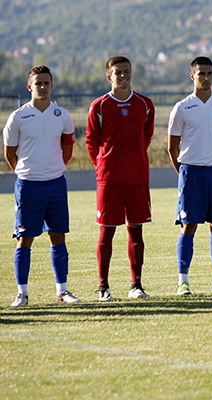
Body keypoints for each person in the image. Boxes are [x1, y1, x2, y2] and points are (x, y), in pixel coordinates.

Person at [3, 65, 81, 306]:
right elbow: (9, 153)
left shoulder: (63, 116)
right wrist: (28, 171)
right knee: (25, 238)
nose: (43, 87)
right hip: (29, 186)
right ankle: (22, 293)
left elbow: (67, 149)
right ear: (30, 87)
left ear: (52, 86)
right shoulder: (18, 117)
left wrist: (53, 167)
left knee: (58, 236)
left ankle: (62, 291)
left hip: (56, 184)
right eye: (38, 83)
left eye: (47, 83)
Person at [86, 56, 155, 301]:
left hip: (137, 176)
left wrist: (133, 158)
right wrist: (102, 164)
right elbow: (92, 141)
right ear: (109, 76)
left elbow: (145, 137)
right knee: (107, 232)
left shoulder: (145, 104)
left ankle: (136, 285)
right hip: (110, 179)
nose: (123, 75)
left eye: (126, 71)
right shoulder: (100, 106)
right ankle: (103, 287)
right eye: (118, 72)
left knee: (136, 231)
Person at [168, 56, 212, 295]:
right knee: (189, 226)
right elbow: (172, 147)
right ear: (192, 76)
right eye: (201, 74)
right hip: (191, 173)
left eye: (209, 74)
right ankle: (183, 281)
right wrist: (186, 172)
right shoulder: (182, 108)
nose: (206, 78)